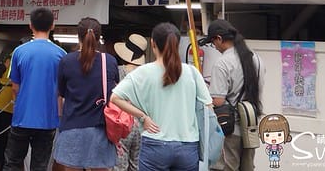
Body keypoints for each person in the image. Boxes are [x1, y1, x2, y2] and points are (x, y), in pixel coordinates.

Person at [111, 22, 212, 171]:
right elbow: (208, 107)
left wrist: (143, 117)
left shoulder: (142, 72)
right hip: (188, 146)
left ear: (153, 43)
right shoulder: (192, 72)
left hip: (155, 145)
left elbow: (115, 98)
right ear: (177, 44)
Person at [3, 8, 66, 171]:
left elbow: (15, 87)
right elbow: (62, 90)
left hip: (22, 117)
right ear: (53, 25)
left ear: (30, 25)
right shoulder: (61, 54)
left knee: (12, 163)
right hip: (48, 119)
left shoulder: (19, 51)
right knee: (40, 165)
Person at [53, 17, 118, 171]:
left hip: (72, 129)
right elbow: (114, 92)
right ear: (99, 37)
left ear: (78, 36)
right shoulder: (109, 61)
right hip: (100, 131)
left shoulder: (66, 61)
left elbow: (61, 93)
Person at [200, 19, 265, 171]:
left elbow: (218, 101)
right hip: (251, 126)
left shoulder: (223, 63)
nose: (214, 47)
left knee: (226, 168)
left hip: (230, 131)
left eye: (213, 43)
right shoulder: (257, 59)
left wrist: (205, 93)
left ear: (219, 39)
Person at [113, 34, 149, 171]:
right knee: (136, 166)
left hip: (122, 125)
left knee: (119, 166)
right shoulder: (147, 76)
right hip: (141, 126)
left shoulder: (117, 72)